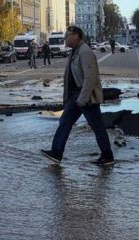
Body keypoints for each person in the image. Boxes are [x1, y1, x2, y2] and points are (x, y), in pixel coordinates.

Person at [41, 26, 114, 166]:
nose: (65, 39)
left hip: (86, 96)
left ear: (76, 36)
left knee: (97, 127)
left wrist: (83, 98)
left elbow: (90, 77)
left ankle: (107, 156)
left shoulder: (85, 51)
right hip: (76, 95)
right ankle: (56, 152)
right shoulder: (75, 51)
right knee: (65, 122)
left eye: (67, 36)